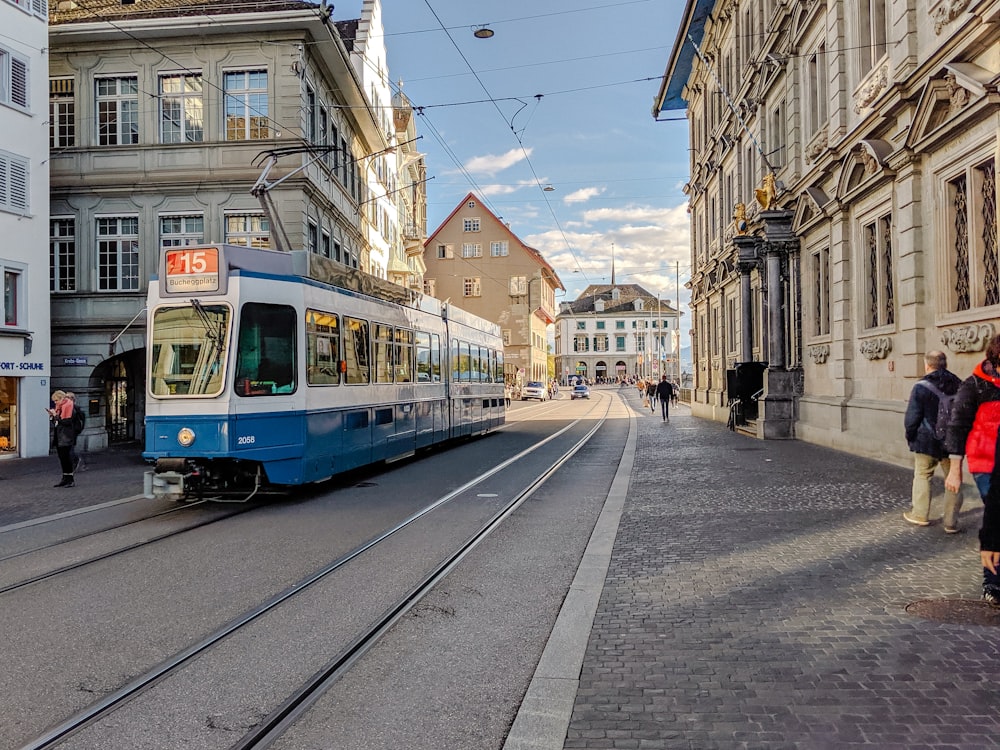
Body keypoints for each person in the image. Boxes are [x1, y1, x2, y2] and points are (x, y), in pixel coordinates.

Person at [945, 334, 1000, 605]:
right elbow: (957, 427)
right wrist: (955, 469)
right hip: (986, 463)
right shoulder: (975, 385)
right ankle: (993, 582)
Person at [903, 351, 962, 529]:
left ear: (927, 365)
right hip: (951, 441)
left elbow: (912, 417)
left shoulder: (921, 386)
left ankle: (920, 514)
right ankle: (951, 522)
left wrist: (910, 435)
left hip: (926, 440)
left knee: (923, 475)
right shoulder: (959, 383)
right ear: (945, 364)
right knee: (952, 478)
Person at [47, 390, 78, 488]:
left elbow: (67, 422)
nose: (55, 402)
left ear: (61, 399)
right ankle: (64, 478)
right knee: (62, 458)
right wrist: (52, 417)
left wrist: (56, 416)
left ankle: (70, 479)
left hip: (66, 436)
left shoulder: (69, 406)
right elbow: (57, 423)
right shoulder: (59, 408)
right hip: (59, 436)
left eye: (56, 400)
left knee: (67, 458)